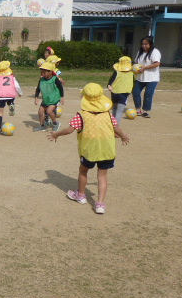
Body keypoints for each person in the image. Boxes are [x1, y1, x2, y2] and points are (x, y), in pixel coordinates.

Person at [48, 83, 130, 215]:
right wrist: (123, 137)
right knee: (102, 176)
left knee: (83, 170)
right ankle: (100, 204)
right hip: (107, 151)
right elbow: (116, 128)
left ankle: (80, 195)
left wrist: (57, 134)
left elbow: (70, 129)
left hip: (88, 151)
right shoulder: (108, 115)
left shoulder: (81, 115)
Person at [0, 61, 22, 134]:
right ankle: (11, 104)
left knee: (0, 112)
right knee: (10, 99)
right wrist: (20, 93)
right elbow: (17, 86)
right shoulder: (12, 76)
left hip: (1, 95)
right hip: (11, 94)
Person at [133, 37, 161, 118]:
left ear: (150, 44)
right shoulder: (140, 52)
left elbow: (157, 64)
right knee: (135, 92)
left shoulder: (155, 52)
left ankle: (145, 111)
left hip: (152, 78)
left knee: (148, 94)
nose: (144, 46)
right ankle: (138, 109)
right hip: (140, 77)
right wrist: (134, 68)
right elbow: (136, 63)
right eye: (142, 44)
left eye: (146, 44)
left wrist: (144, 67)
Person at [34, 62, 64, 132]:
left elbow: (60, 87)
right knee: (40, 112)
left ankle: (55, 123)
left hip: (54, 99)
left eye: (45, 72)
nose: (42, 73)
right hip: (46, 99)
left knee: (49, 111)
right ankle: (42, 125)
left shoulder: (55, 79)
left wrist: (62, 97)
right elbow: (38, 88)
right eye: (42, 71)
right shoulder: (41, 79)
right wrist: (36, 97)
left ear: (50, 72)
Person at [107, 56, 134, 123]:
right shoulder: (132, 72)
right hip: (124, 94)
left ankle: (112, 124)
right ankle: (116, 127)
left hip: (114, 92)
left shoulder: (117, 71)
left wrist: (109, 86)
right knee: (119, 111)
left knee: (115, 109)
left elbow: (110, 81)